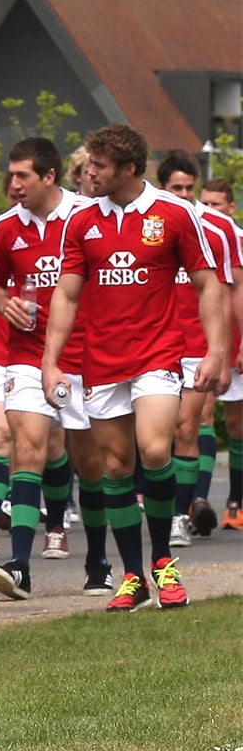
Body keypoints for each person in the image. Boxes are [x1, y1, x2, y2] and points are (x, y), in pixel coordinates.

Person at [40, 125, 229, 611]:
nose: (89, 172)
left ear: (127, 169)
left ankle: (163, 561)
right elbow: (66, 293)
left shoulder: (175, 213)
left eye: (99, 166)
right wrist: (51, 361)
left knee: (155, 448)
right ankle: (131, 576)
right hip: (101, 360)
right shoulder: (81, 222)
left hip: (158, 355)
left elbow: (209, 284)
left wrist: (216, 350)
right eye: (88, 164)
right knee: (117, 467)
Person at [0, 138, 100, 598]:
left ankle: (99, 560)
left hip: (86, 358)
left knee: (91, 466)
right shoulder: (5, 228)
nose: (13, 184)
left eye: (22, 176)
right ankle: (20, 566)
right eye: (11, 175)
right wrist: (4, 302)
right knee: (26, 447)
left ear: (49, 177)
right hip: (27, 356)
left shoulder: (86, 219)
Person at [156, 151, 233, 543]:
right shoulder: (150, 225)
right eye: (177, 188)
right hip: (155, 344)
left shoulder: (216, 231)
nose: (185, 194)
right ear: (162, 187)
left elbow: (223, 295)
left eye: (190, 188)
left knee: (188, 426)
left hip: (195, 347)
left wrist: (223, 352)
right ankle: (156, 505)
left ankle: (178, 516)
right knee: (155, 438)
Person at [196, 176, 243, 526]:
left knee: (238, 425)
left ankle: (235, 501)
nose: (209, 210)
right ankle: (198, 501)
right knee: (203, 417)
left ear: (230, 208)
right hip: (208, 343)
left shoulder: (235, 239)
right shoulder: (195, 235)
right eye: (205, 203)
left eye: (216, 205)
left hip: (236, 342)